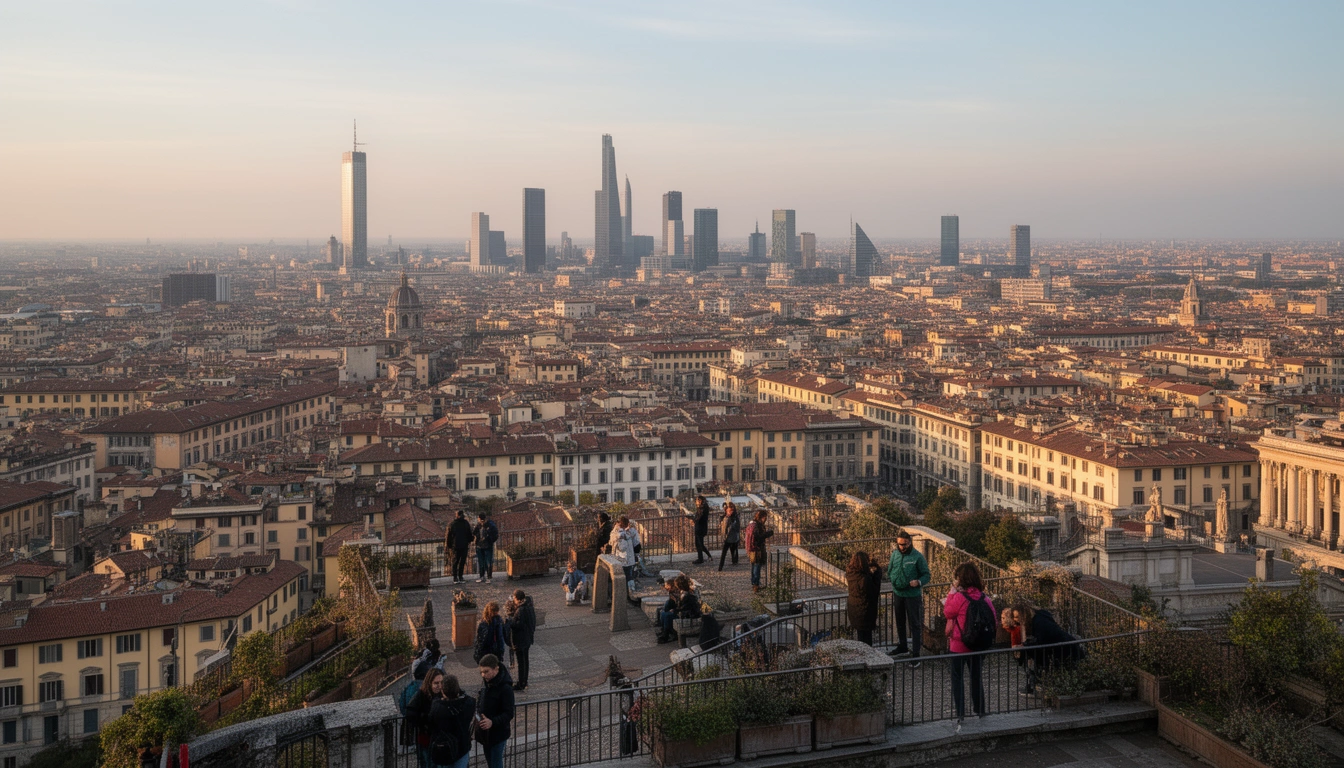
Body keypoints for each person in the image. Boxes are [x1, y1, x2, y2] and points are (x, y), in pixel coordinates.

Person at [944, 562, 996, 725]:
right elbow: (993, 618)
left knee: (957, 678)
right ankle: (980, 710)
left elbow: (947, 612)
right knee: (976, 677)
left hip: (959, 645)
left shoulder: (959, 598)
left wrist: (952, 592)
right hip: (978, 645)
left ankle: (960, 713)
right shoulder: (984, 598)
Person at [1005, 603, 1081, 694]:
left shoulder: (1039, 623)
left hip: (1063, 649)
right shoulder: (1040, 617)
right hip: (1065, 645)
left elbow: (1042, 641)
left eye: (1017, 617)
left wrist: (1025, 646)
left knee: (1031, 657)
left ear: (1023, 615)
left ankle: (1035, 683)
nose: (1015, 620)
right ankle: (1034, 683)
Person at [887, 530, 931, 662]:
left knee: (914, 624)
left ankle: (916, 654)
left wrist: (918, 582)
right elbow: (890, 569)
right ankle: (903, 646)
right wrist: (893, 580)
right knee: (900, 621)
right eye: (899, 544)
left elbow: (926, 575)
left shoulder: (917, 556)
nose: (902, 547)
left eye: (904, 544)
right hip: (898, 592)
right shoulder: (895, 554)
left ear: (910, 543)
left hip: (912, 595)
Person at [475, 654, 515, 768]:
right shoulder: (486, 682)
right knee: (491, 762)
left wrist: (492, 722)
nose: (483, 675)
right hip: (486, 733)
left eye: (486, 671)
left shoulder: (506, 688)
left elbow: (509, 713)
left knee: (495, 763)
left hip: (498, 733)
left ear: (496, 669)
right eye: (481, 672)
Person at [429, 674, 475, 768]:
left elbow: (431, 724)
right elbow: (470, 699)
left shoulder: (437, 707)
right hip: (462, 747)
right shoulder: (467, 705)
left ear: (443, 690)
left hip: (444, 748)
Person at [406, 667, 442, 768]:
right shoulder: (421, 695)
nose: (439, 686)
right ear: (429, 683)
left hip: (440, 741)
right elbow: (410, 713)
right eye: (436, 683)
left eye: (441, 682)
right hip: (425, 740)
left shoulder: (443, 693)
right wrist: (425, 719)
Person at [846, 551, 883, 646]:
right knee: (866, 640)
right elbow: (874, 592)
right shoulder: (864, 579)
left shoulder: (851, 574)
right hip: (865, 612)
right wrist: (877, 571)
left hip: (854, 610)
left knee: (860, 636)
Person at [657, 574, 701, 644]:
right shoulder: (683, 593)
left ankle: (666, 635)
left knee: (667, 615)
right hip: (683, 612)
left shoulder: (687, 595)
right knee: (663, 613)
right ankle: (665, 632)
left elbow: (685, 608)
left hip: (687, 615)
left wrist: (675, 610)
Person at [509, 589, 536, 692]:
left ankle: (521, 683)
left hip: (521, 640)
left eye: (514, 598)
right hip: (528, 638)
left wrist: (510, 623)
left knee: (521, 662)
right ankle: (524, 681)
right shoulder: (529, 606)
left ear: (517, 599)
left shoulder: (521, 610)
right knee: (526, 660)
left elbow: (519, 625)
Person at [744, 509, 774, 592]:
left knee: (754, 566)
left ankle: (754, 583)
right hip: (757, 549)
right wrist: (768, 533)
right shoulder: (757, 526)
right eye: (765, 518)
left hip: (752, 549)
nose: (766, 519)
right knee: (757, 566)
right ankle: (756, 585)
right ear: (762, 517)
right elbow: (759, 537)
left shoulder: (752, 524)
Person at [610, 517, 639, 590]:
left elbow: (611, 543)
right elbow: (635, 544)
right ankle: (630, 589)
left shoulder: (615, 533)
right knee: (628, 575)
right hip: (626, 558)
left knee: (621, 575)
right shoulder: (625, 533)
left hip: (620, 558)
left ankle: (622, 590)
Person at [446, 510, 473, 583]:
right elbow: (469, 534)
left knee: (455, 562)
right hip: (464, 545)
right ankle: (460, 576)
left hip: (455, 545)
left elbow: (449, 536)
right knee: (462, 562)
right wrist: (470, 540)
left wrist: (449, 545)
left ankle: (455, 578)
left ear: (457, 515)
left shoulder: (452, 524)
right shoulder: (466, 523)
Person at [473, 513, 499, 583]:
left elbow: (495, 534)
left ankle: (488, 577)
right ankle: (482, 576)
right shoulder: (479, 525)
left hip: (487, 545)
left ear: (479, 518)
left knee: (488, 562)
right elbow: (474, 532)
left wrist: (490, 540)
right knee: (481, 562)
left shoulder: (490, 525)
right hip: (480, 546)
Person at [717, 501, 741, 571]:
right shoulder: (728, 517)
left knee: (732, 550)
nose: (731, 512)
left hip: (732, 537)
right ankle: (721, 566)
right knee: (725, 552)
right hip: (729, 537)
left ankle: (734, 561)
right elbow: (724, 529)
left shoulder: (733, 517)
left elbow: (737, 527)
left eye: (732, 510)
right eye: (730, 510)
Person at [693, 495, 712, 564]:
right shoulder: (703, 508)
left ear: (700, 501)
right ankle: (704, 557)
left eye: (697, 501)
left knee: (699, 544)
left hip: (700, 528)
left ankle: (701, 558)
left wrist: (693, 519)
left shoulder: (702, 509)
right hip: (701, 528)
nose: (696, 502)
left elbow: (699, 518)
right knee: (699, 544)